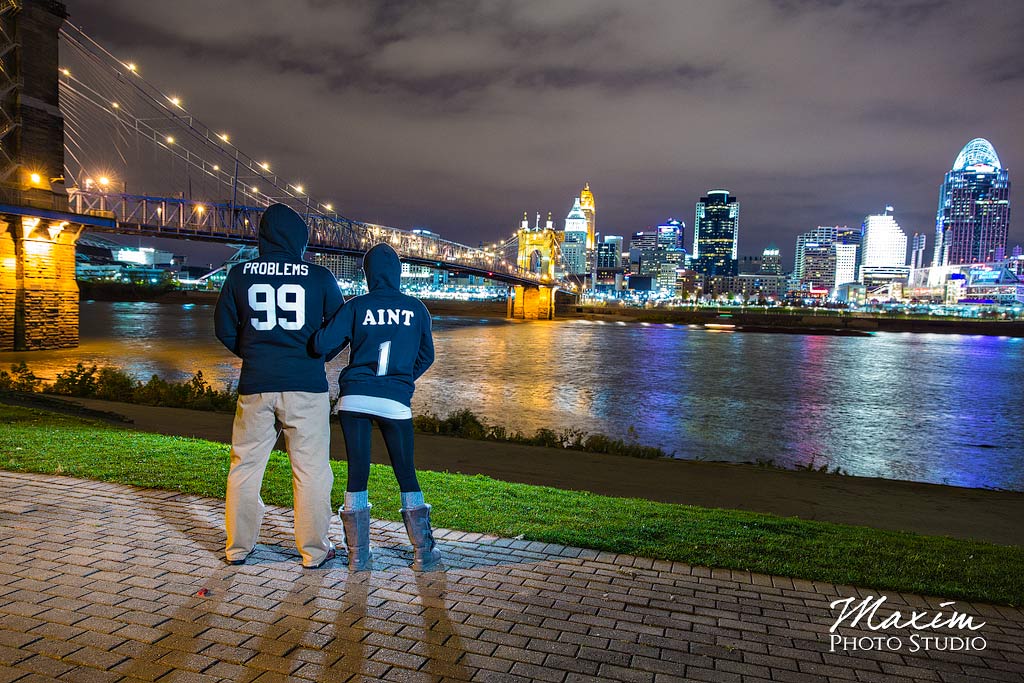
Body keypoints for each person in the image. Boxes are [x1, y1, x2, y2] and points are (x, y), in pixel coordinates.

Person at [214, 203, 343, 568]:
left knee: (245, 465)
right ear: (299, 238)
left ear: (263, 236)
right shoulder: (319, 277)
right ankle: (315, 552)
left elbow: (223, 327)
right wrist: (317, 353)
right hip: (306, 386)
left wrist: (253, 353)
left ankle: (238, 548)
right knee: (311, 468)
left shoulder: (240, 274)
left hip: (256, 382)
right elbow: (339, 326)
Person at [312, 242, 440, 572]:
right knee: (406, 473)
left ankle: (357, 555)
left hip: (354, 398)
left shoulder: (357, 306)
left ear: (369, 275)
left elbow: (323, 344)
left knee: (358, 473)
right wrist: (401, 380)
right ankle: (423, 553)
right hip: (395, 400)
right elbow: (427, 355)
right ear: (396, 273)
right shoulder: (417, 308)